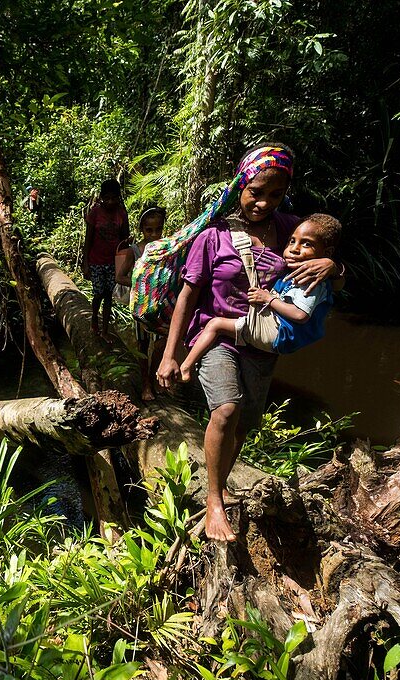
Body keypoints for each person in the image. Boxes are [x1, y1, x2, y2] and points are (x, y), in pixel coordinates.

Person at [156, 144, 343, 542]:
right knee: (226, 409)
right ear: (240, 184)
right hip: (216, 334)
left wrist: (335, 266)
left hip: (261, 343)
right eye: (256, 191)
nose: (263, 202)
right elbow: (187, 298)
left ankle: (220, 484)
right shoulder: (214, 236)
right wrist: (171, 355)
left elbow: (330, 276)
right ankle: (214, 502)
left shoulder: (293, 230)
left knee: (243, 425)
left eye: (274, 194)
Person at [178, 214, 341, 382]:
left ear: (326, 253)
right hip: (279, 333)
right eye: (291, 241)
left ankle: (186, 366)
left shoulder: (311, 281)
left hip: (277, 333)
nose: (294, 248)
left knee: (215, 324)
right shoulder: (299, 272)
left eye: (307, 244)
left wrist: (268, 298)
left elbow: (300, 315)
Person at [115, 205, 167, 401]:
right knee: (143, 344)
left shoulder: (165, 248)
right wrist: (143, 283)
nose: (154, 234)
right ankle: (146, 384)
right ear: (142, 230)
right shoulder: (134, 251)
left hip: (161, 306)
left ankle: (155, 378)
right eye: (149, 230)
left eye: (158, 229)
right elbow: (120, 277)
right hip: (140, 306)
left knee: (161, 343)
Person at [82, 179, 130, 341]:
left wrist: (126, 265)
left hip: (113, 263)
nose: (110, 202)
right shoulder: (95, 213)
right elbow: (88, 240)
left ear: (118, 197)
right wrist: (85, 263)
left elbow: (125, 240)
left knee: (109, 296)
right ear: (102, 197)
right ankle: (94, 317)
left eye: (114, 198)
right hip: (96, 261)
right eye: (107, 198)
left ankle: (105, 330)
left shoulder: (121, 213)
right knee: (98, 294)